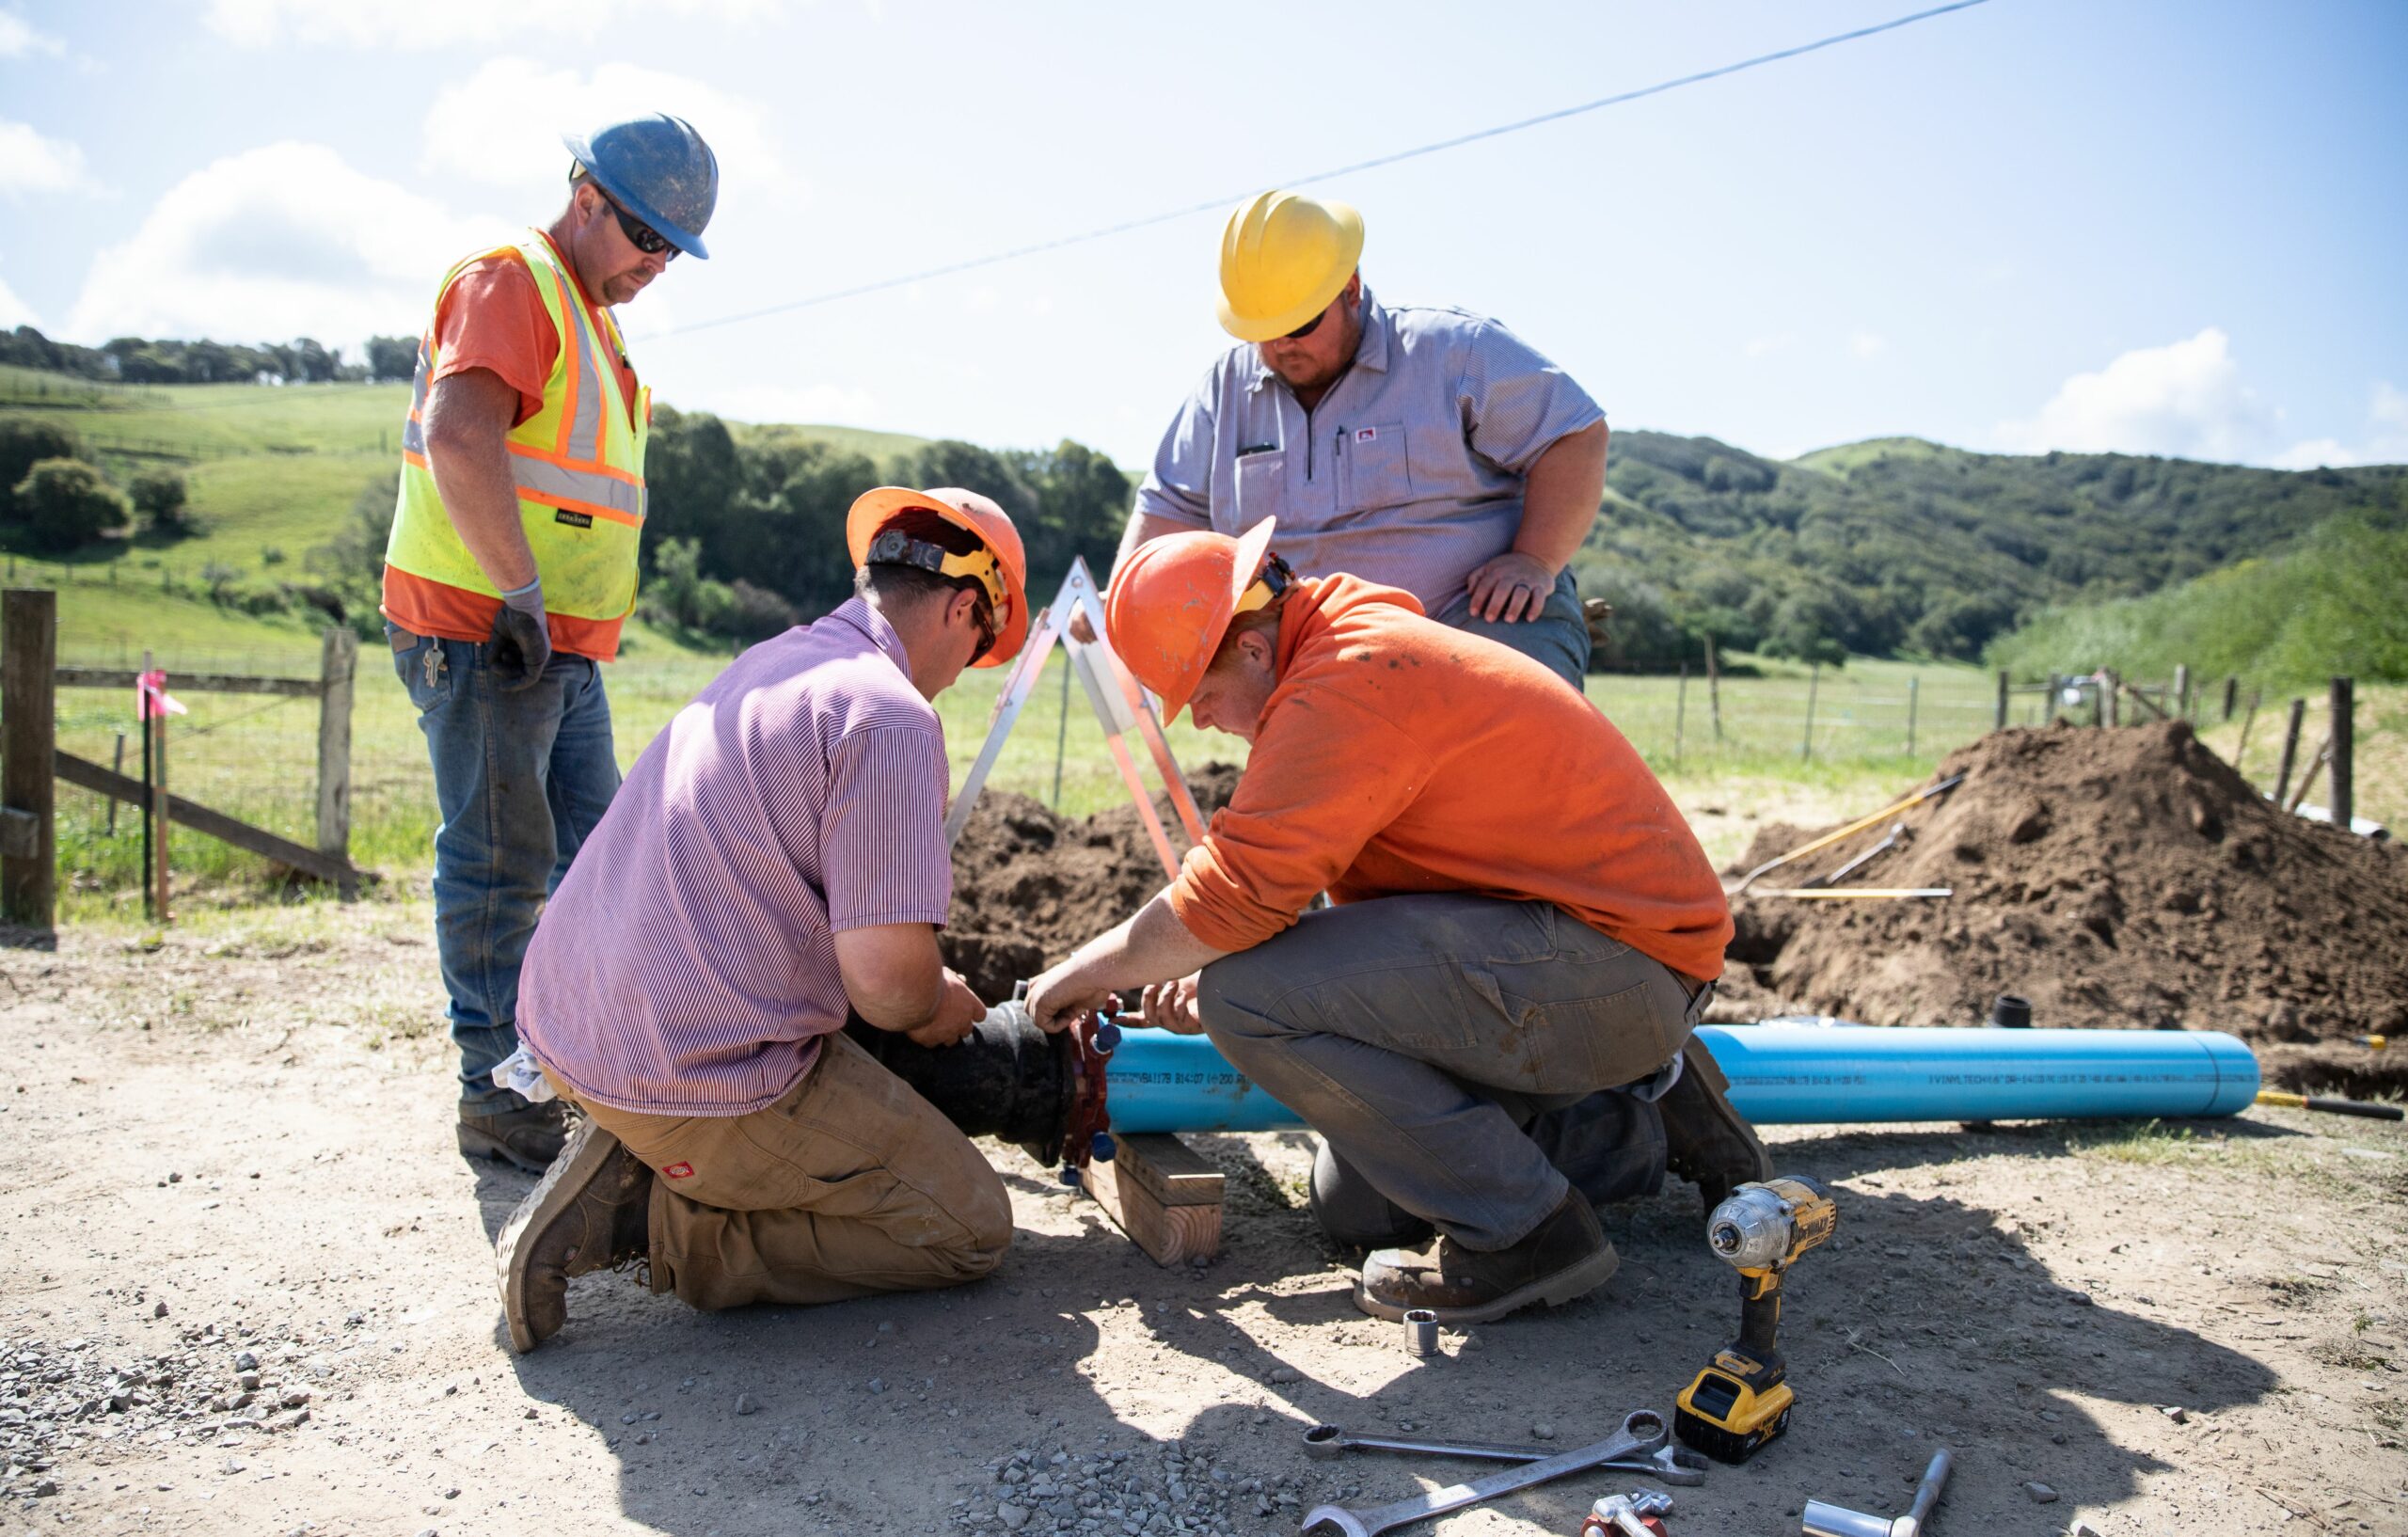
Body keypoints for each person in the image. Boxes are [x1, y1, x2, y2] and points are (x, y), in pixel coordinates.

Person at [1026, 523, 1767, 1324]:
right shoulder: (1340, 652)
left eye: (1198, 698)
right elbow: (1281, 898)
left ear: (1247, 647)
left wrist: (1083, 973)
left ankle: (1532, 1238)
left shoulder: (1349, 678)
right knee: (1361, 1206)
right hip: (1576, 958)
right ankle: (1651, 1119)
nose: (1201, 723)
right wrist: (1236, 968)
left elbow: (1231, 896)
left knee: (1247, 997)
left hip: (1622, 967)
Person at [492, 488, 1030, 1352]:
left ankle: (635, 1144)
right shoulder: (889, 716)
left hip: (574, 1021)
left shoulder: (773, 661)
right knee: (966, 1224)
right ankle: (659, 1224)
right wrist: (935, 1006)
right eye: (976, 649)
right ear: (966, 606)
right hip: (690, 1069)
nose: (961, 675)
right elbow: (891, 991)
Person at [382, 113, 717, 1172]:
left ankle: (572, 1064)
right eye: (645, 237)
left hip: (554, 645)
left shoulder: (589, 311)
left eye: (672, 248)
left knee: (599, 859)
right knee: (499, 860)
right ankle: (495, 1089)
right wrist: (520, 593)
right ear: (587, 198)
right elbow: (459, 433)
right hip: (492, 631)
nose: (656, 265)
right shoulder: (514, 281)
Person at [1112, 188, 1609, 692]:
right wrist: (1123, 606)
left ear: (1350, 288)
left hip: (1471, 619)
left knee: (1508, 728)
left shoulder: (1456, 351)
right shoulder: (1223, 393)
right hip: (1311, 648)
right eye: (1262, 330)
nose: (1281, 345)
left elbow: (1573, 436)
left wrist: (1534, 559)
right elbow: (1169, 512)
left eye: (1300, 324)